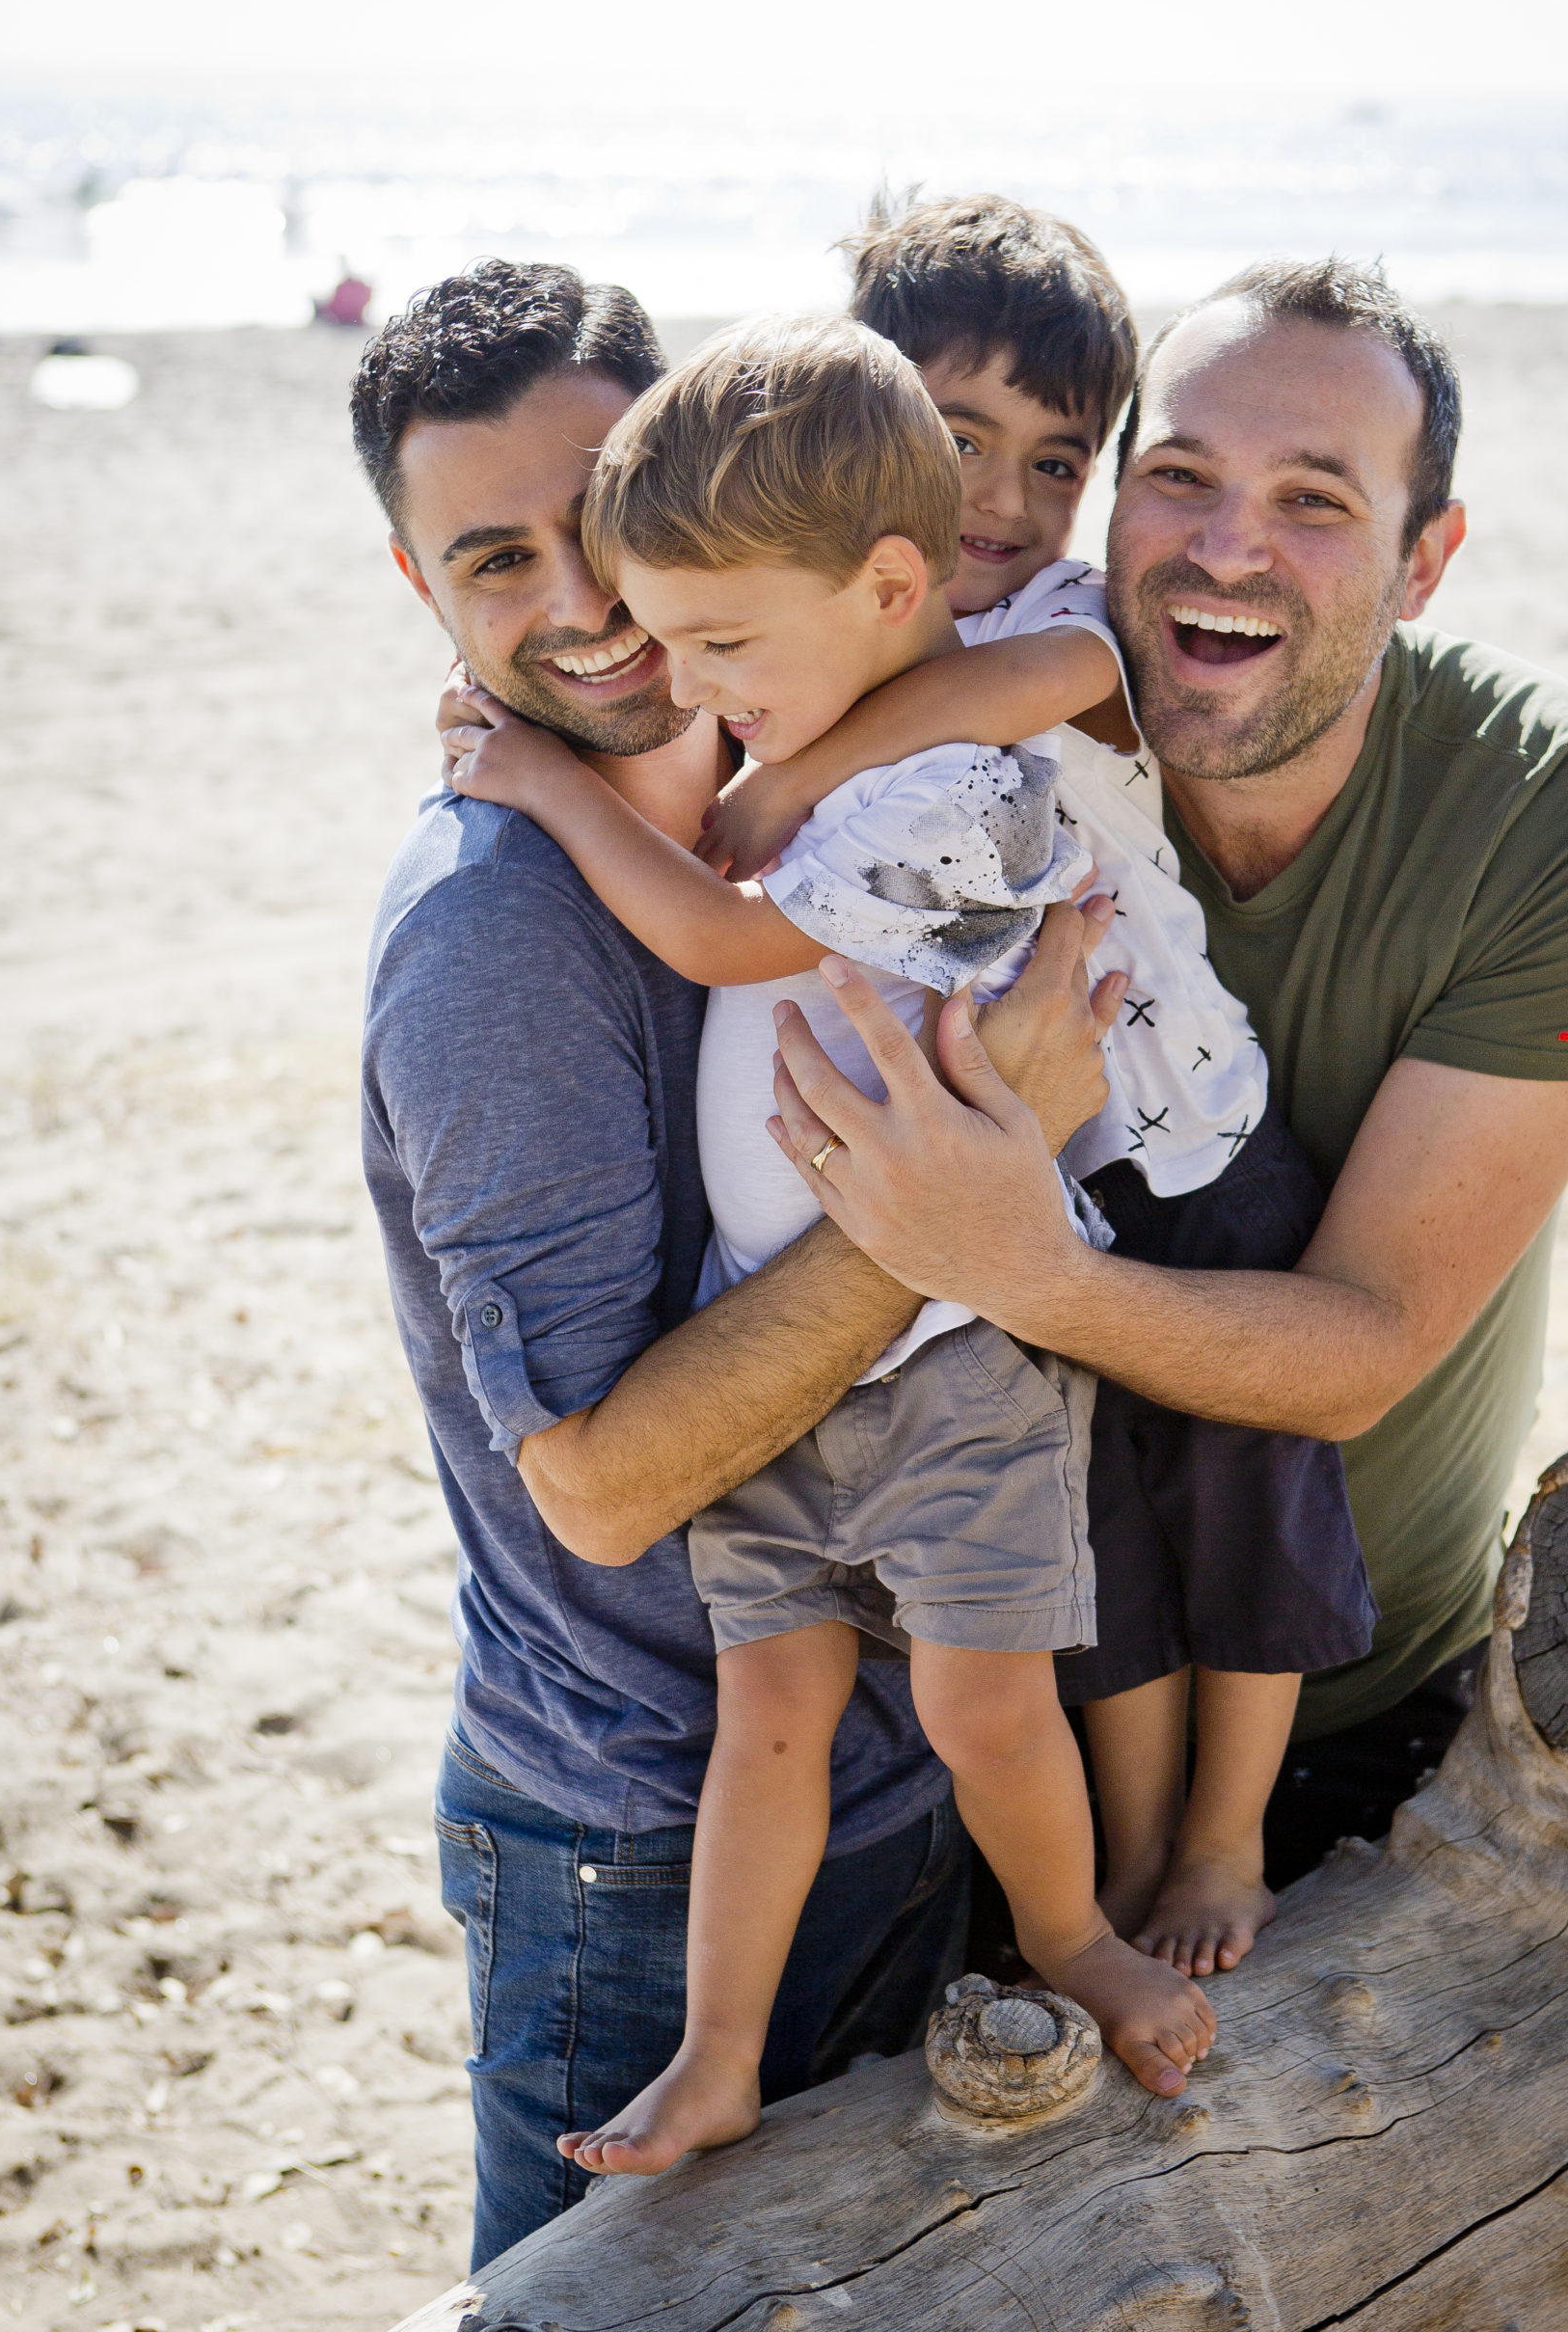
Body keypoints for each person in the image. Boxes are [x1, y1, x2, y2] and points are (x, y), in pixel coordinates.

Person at [350, 259, 1115, 2265]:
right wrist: (961, 1191)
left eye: (599, 520)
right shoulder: (498, 938)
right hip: (644, 1834)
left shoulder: (773, 772)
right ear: (417, 581)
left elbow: (1042, 652)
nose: (583, 600)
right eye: (494, 558)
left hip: (883, 1749)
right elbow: (600, 1484)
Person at [756, 258, 1568, 1872]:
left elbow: (1361, 1346)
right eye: (1176, 477)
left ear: (1425, 561)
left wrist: (1011, 1260)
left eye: (1316, 500)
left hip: (1360, 1716)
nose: (1227, 544)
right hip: (973, 1718)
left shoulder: (1560, 812)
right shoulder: (984, 744)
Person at [694, 197, 1380, 1971]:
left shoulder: (1071, 618)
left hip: (1180, 1129)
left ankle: (1223, 1840)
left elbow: (1055, 681)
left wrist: (793, 782)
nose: (1001, 496)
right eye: (957, 437)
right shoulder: (836, 630)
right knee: (1096, 1542)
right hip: (1022, 1191)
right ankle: (1140, 1857)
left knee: (1247, 1478)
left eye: (1057, 458)